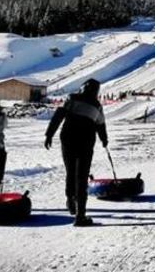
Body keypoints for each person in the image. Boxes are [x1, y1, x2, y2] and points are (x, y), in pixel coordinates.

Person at [45, 79, 108, 227]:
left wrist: (49, 134)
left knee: (71, 172)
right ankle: (80, 215)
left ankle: (70, 200)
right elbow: (100, 125)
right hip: (86, 141)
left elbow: (59, 115)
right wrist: (104, 140)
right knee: (82, 176)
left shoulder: (72, 98)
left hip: (68, 138)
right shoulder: (97, 106)